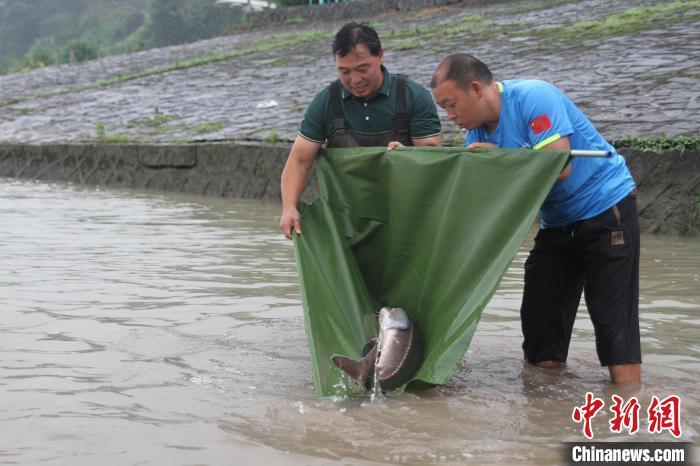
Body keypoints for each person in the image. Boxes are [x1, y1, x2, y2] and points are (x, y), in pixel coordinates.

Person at [430, 53, 641, 384]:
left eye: (451, 104)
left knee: (614, 323)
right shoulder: (476, 137)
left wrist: (499, 157)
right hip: (557, 223)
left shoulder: (533, 97)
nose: (450, 115)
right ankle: (545, 417)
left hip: (606, 208)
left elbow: (559, 165)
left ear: (475, 89)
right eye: (443, 108)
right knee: (541, 323)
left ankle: (629, 411)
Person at [279, 22, 442, 239]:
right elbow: (299, 160)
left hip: (405, 221)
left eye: (363, 69)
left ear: (381, 56)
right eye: (344, 71)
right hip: (345, 223)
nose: (355, 80)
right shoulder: (326, 101)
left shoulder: (413, 96)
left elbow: (436, 160)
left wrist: (410, 157)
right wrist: (289, 208)